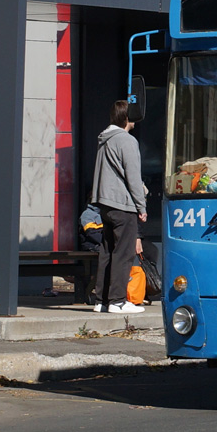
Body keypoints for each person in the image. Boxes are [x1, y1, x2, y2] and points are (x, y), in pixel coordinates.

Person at [91, 100, 147, 314]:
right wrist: (141, 206)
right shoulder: (126, 141)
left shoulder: (104, 139)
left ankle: (102, 300)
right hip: (123, 204)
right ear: (127, 118)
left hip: (105, 203)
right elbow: (133, 176)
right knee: (124, 253)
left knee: (107, 251)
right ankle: (117, 301)